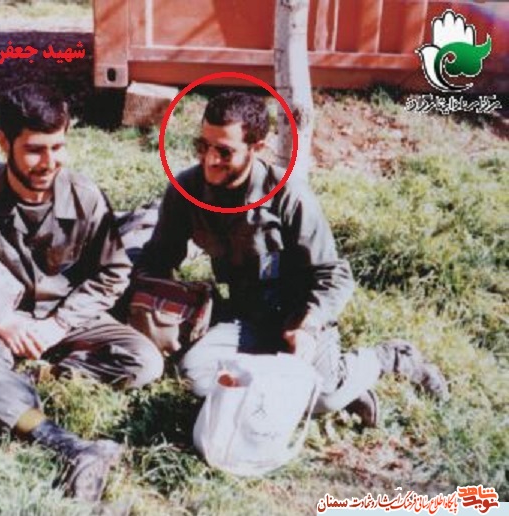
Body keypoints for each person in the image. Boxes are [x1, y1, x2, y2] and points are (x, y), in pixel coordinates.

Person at [0, 84, 164, 501]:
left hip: (66, 318)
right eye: (35, 150)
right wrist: (0, 320)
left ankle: (28, 378)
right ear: (4, 142)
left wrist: (57, 325)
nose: (49, 162)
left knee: (145, 362)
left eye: (58, 147)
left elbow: (113, 272)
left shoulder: (85, 197)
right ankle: (67, 445)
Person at [135, 91, 448, 426]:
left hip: (299, 318)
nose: (210, 159)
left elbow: (333, 275)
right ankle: (311, 387)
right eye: (202, 146)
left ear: (256, 148)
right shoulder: (186, 189)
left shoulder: (288, 195)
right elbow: (158, 259)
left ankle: (389, 359)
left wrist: (308, 327)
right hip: (245, 318)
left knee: (325, 396)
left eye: (224, 151)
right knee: (195, 375)